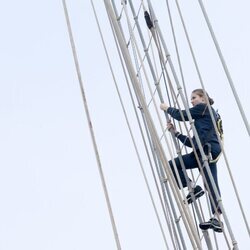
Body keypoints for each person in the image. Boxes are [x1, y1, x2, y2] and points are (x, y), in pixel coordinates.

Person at [160, 89, 223, 233]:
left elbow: (182, 115)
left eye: (194, 98)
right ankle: (194, 189)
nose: (192, 101)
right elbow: (193, 143)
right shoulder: (203, 119)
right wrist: (176, 133)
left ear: (203, 98)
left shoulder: (204, 108)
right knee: (174, 165)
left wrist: (166, 108)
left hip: (207, 150)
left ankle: (216, 216)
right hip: (201, 150)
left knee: (211, 181)